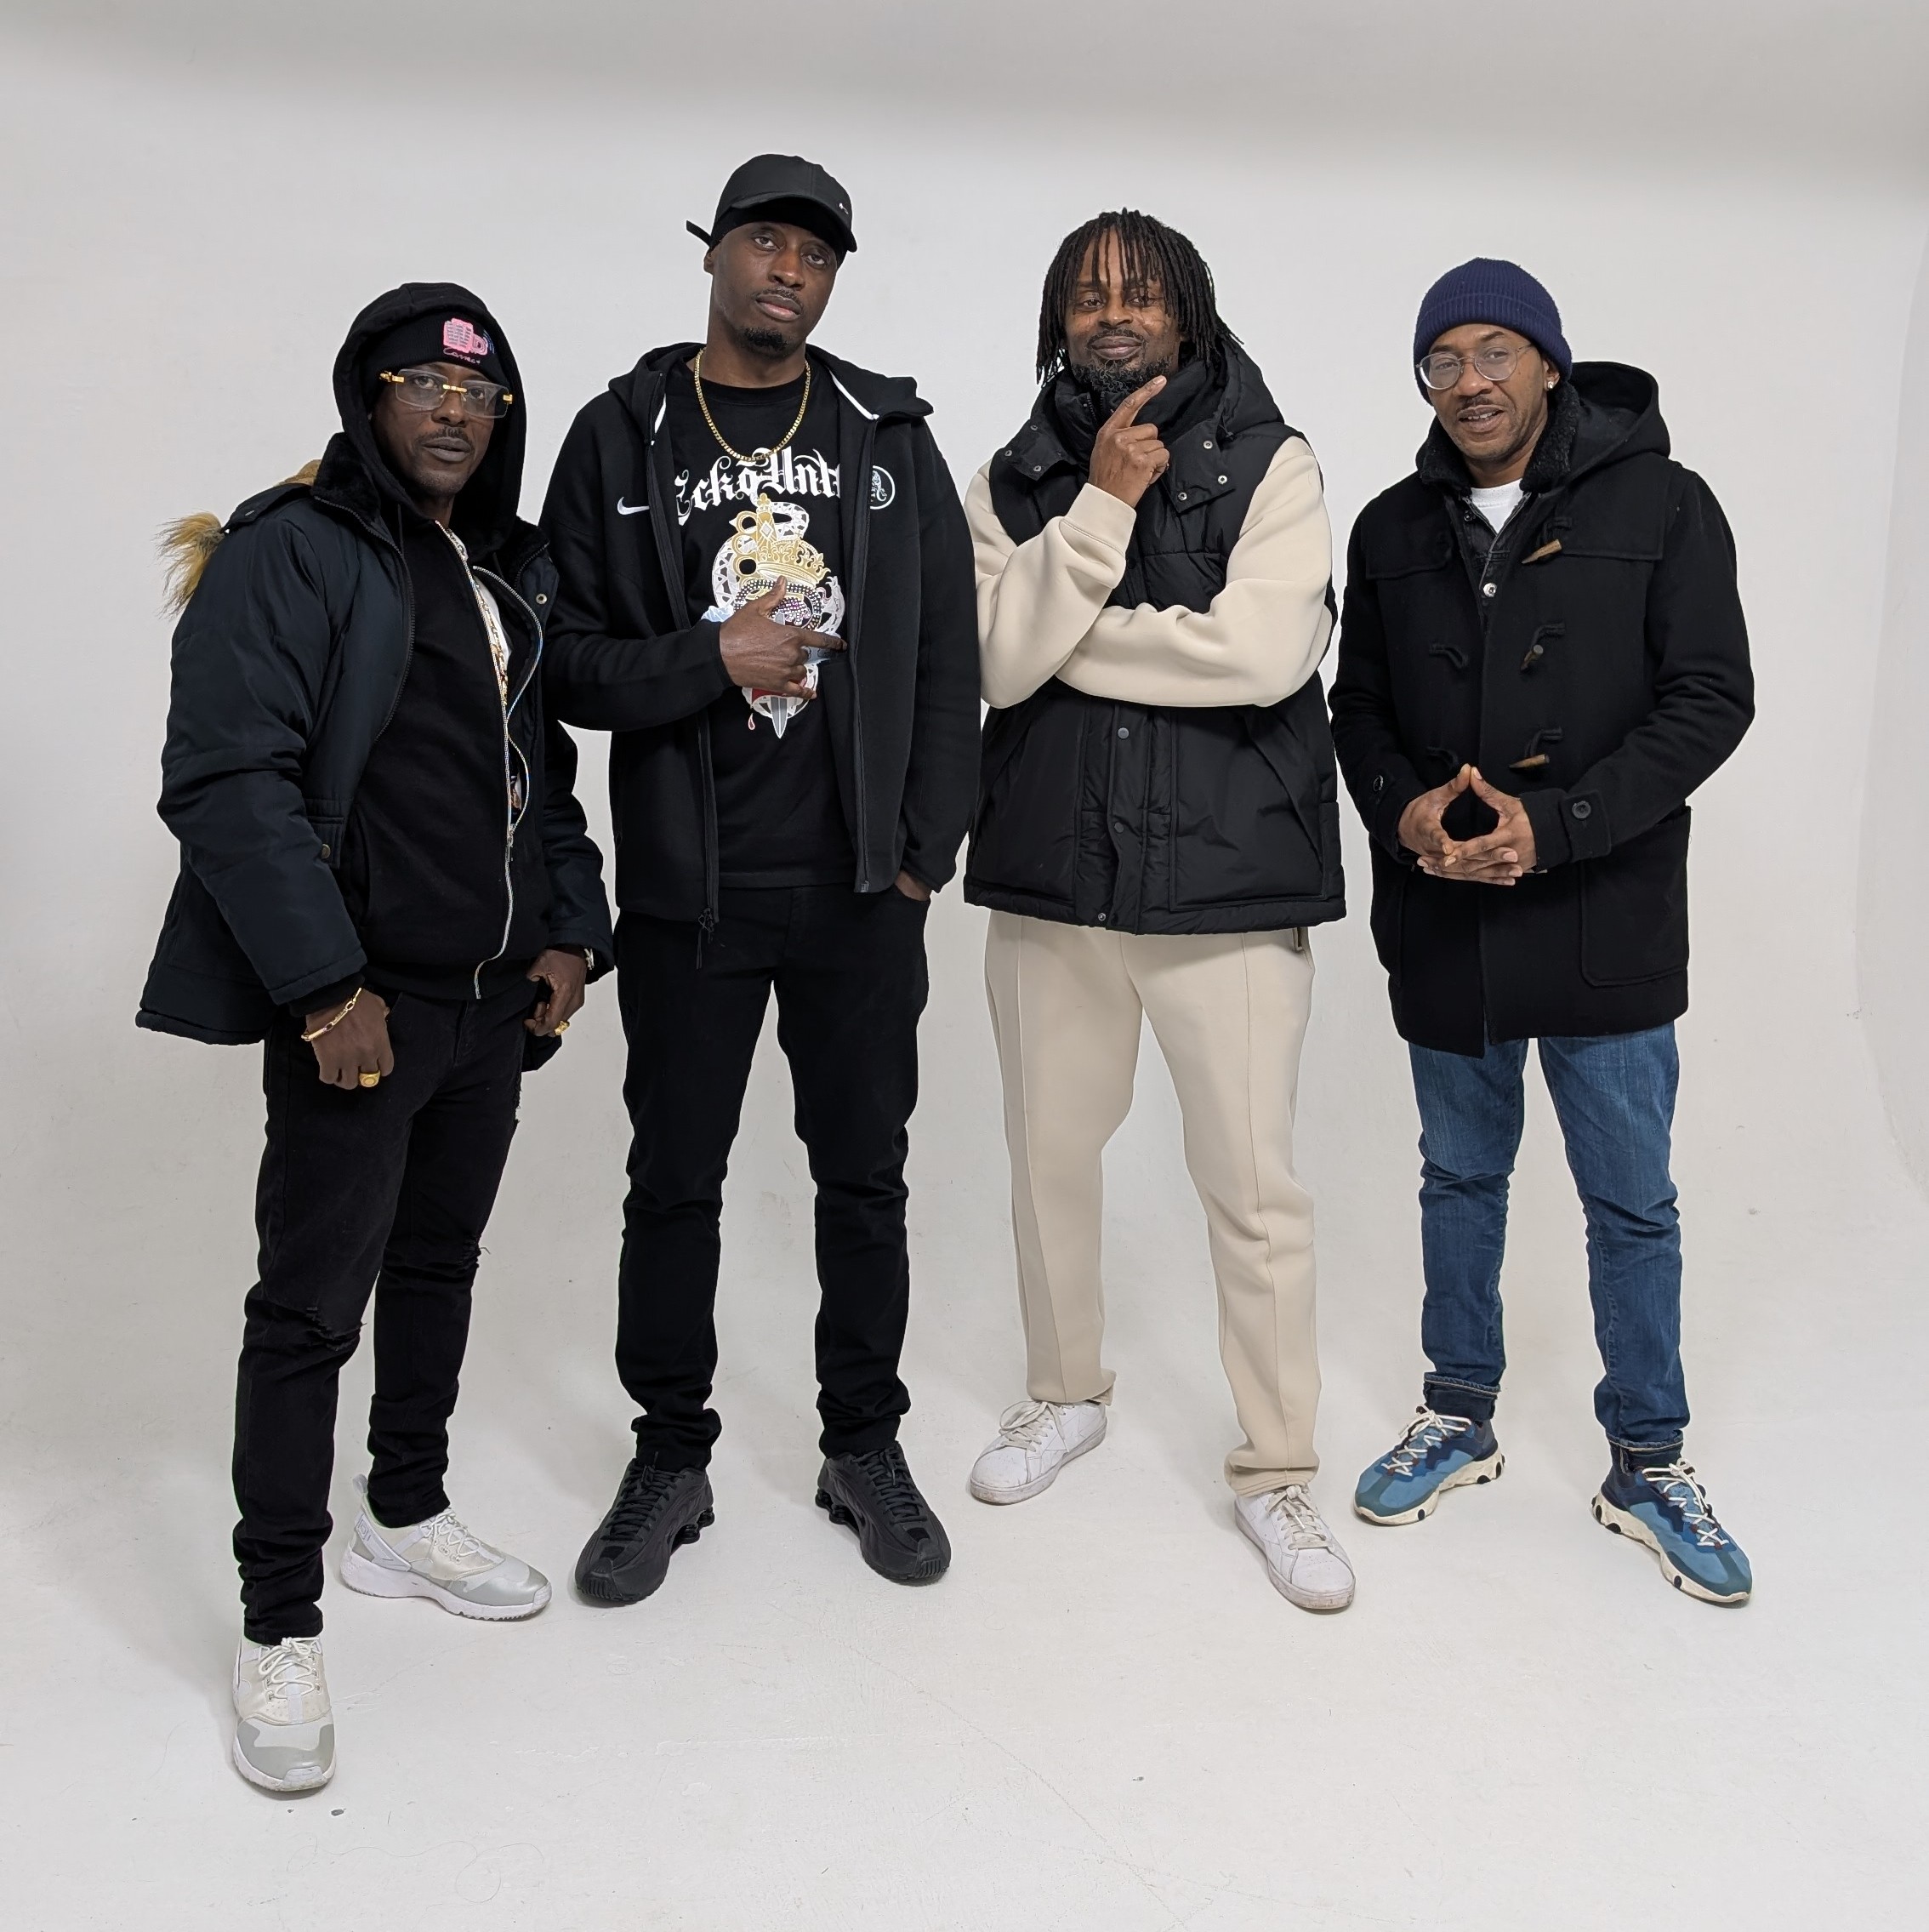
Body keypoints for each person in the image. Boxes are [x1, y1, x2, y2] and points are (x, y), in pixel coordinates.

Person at [139, 285, 614, 1788]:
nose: (455, 410)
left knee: (437, 1267)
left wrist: (569, 930)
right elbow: (227, 778)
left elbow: (539, 771)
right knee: (307, 1312)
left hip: (488, 1007)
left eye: (481, 391)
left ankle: (402, 1517)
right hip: (364, 1008)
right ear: (369, 396)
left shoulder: (500, 570)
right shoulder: (291, 550)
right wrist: (324, 991)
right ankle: (278, 1618)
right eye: (424, 383)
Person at [540, 156, 979, 1599]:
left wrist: (922, 857)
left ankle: (865, 1444)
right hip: (694, 894)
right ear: (715, 253)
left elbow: (947, 659)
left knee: (865, 1179)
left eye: (817, 255)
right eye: (766, 242)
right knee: (675, 1181)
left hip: (859, 890)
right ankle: (671, 1455)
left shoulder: (884, 433)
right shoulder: (621, 435)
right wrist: (706, 656)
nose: (790, 271)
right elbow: (565, 665)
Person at [1329, 259, 1755, 1604]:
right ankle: (1458, 1411)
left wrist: (1560, 825)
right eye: (1442, 359)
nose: (1470, 381)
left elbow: (1711, 698)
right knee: (1459, 1177)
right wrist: (1401, 810)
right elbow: (1357, 706)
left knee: (1631, 1201)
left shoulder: (1665, 504)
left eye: (1495, 351)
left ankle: (1649, 1459)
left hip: (1602, 913)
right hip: (1445, 914)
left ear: (1550, 364)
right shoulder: (1393, 526)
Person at [962, 211, 1354, 1613]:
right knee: (1046, 1162)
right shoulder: (1015, 476)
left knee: (1254, 1193)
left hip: (1228, 892)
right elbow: (996, 663)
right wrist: (1102, 508)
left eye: (1138, 292)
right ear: (1059, 321)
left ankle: (1279, 1470)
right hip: (1055, 885)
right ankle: (1064, 1393)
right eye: (1086, 294)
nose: (1111, 312)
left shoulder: (1274, 460)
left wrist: (1071, 636)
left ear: (1187, 311)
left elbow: (1261, 655)